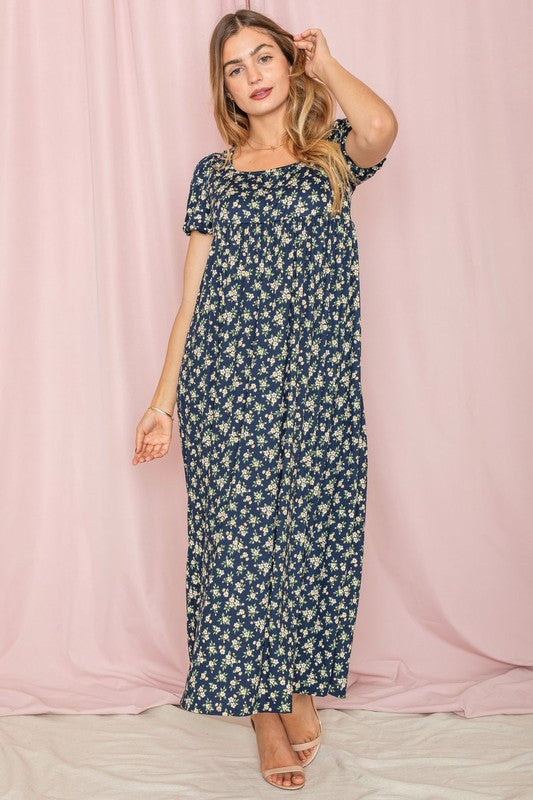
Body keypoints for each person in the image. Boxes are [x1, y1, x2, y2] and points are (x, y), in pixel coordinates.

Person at [132, 9, 397, 791]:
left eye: (263, 58)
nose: (251, 75)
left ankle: (299, 685)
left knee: (312, 535)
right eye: (233, 67)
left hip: (316, 389)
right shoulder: (212, 175)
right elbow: (191, 298)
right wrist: (161, 402)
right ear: (223, 87)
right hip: (227, 388)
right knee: (239, 549)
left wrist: (328, 66)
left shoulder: (331, 159)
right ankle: (262, 714)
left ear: (288, 64)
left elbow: (380, 124)